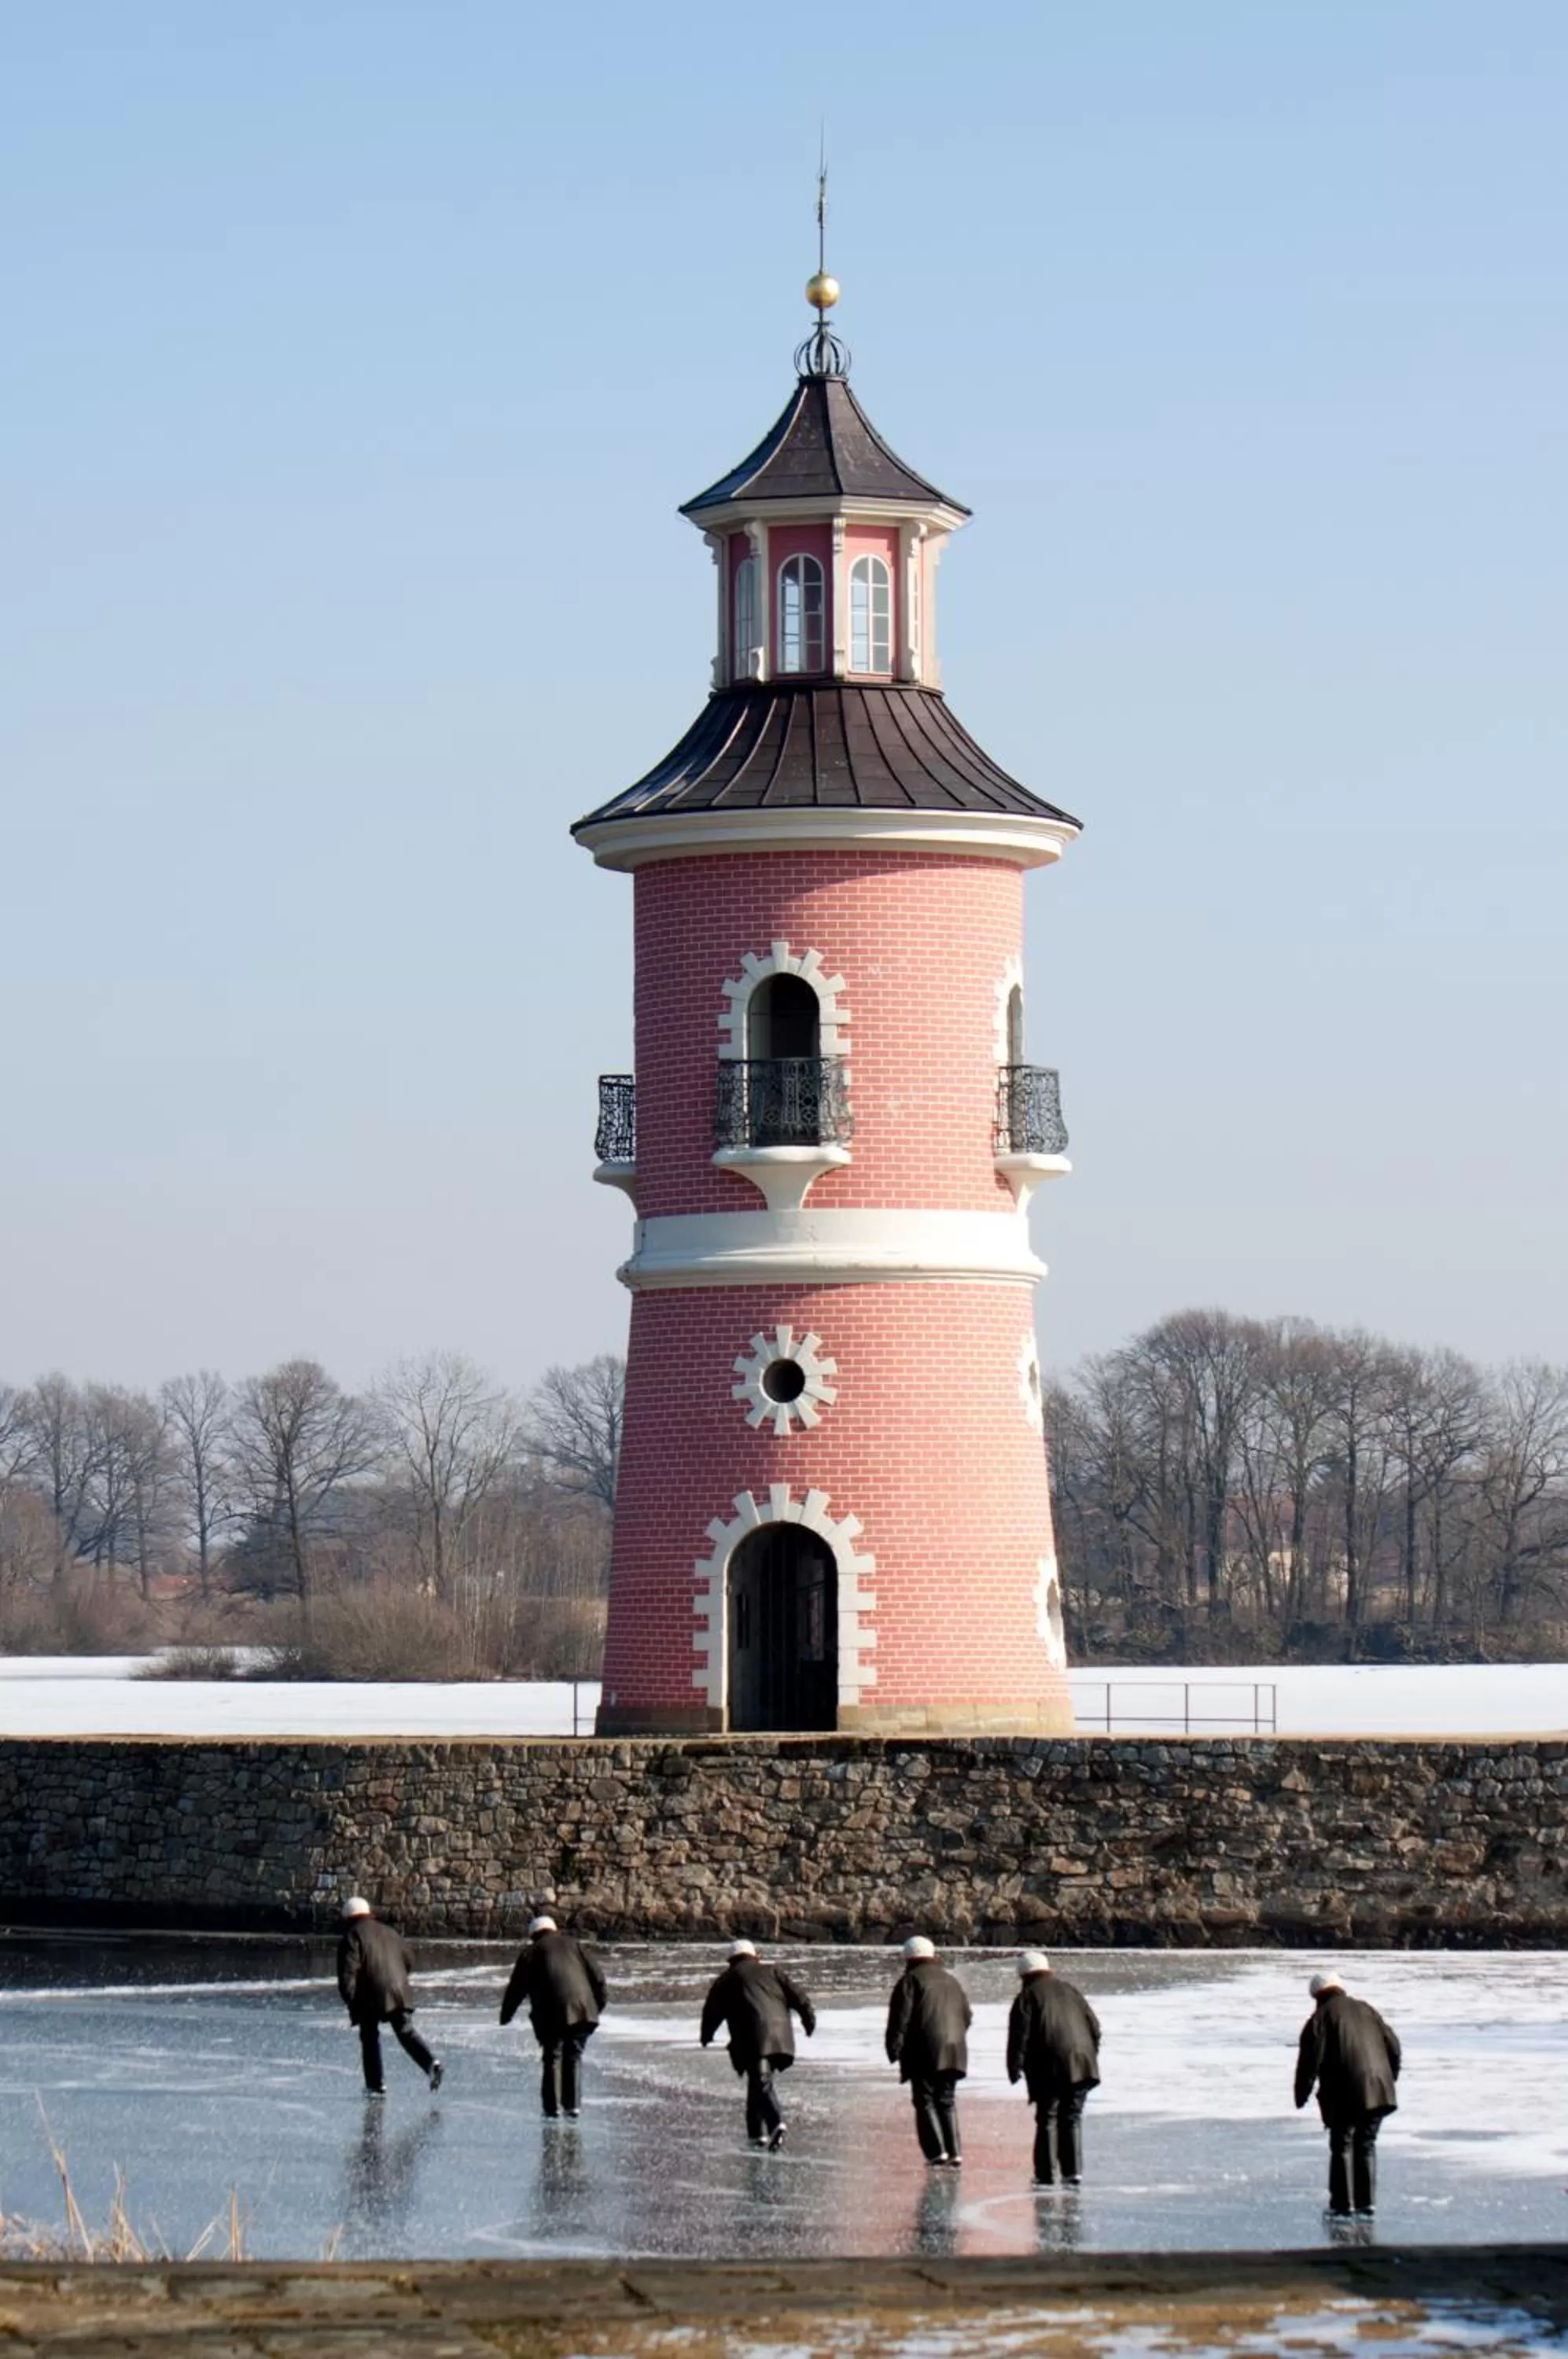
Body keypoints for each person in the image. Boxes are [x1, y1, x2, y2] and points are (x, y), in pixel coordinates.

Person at [1294, 1970, 1401, 2219]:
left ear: (1317, 1996)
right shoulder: (1367, 2010)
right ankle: (1366, 2203)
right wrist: (1388, 2077)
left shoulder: (1320, 2019)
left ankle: (1343, 2205)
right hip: (1380, 2090)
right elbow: (1394, 2046)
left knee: (1342, 2144)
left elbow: (1310, 2061)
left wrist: (1302, 2094)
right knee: (1366, 2143)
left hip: (1345, 2092)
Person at [699, 1938, 816, 2149]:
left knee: (761, 2082)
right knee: (756, 2083)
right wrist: (809, 2021)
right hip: (782, 2037)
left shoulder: (727, 1979)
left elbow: (711, 2011)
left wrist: (706, 2035)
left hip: (753, 2039)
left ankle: (775, 2124)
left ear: (731, 1960)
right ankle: (755, 2135)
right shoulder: (774, 1972)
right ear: (756, 1956)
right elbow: (800, 1998)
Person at [1006, 1950, 1101, 2187]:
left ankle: (1046, 2174)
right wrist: (1089, 2053)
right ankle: (1073, 2172)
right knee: (1072, 2116)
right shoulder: (1070, 1990)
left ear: (1023, 1974)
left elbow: (1020, 2036)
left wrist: (1014, 2067)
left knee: (1047, 2117)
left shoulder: (1027, 1997)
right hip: (1082, 2062)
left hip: (1049, 2066)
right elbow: (1095, 2027)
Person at [499, 1912, 608, 2119]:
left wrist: (505, 2016)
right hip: (584, 2011)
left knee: (553, 2056)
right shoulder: (574, 1945)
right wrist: (598, 2005)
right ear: (554, 1930)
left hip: (551, 2015)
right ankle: (573, 2106)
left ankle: (552, 2108)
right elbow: (598, 1978)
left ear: (533, 1935)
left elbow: (516, 1989)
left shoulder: (530, 1953)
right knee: (574, 2055)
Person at [336, 1895, 443, 2097]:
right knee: (405, 2031)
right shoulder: (390, 1932)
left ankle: (376, 2085)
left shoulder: (352, 1935)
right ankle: (431, 2064)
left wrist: (351, 1999)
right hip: (399, 1989)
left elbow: (348, 1972)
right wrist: (399, 1979)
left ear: (348, 1917)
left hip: (369, 1994)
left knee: (369, 2036)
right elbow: (409, 1958)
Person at [885, 1935, 971, 2168]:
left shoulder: (909, 1981)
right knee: (946, 2100)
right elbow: (967, 2016)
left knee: (924, 2100)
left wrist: (893, 2048)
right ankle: (954, 2152)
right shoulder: (951, 1981)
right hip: (954, 2049)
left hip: (924, 2049)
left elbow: (899, 2020)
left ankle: (936, 2152)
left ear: (908, 1958)